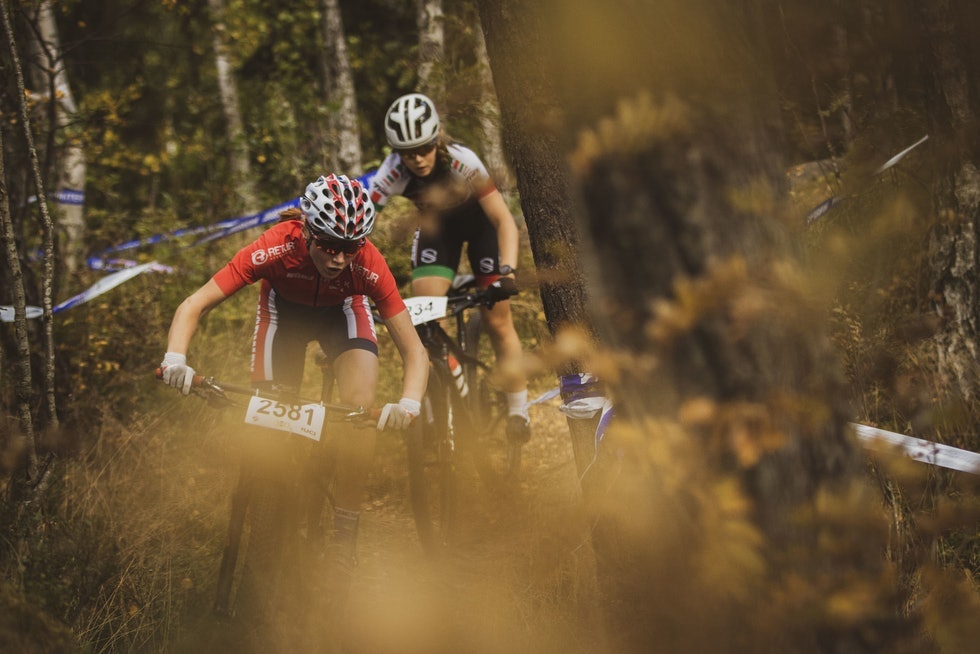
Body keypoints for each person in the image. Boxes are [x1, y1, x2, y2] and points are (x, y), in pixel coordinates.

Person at [158, 174, 428, 576]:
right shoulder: (276, 246)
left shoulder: (368, 264)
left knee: (359, 413)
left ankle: (344, 531)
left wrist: (407, 405)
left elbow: (415, 352)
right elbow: (194, 304)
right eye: (330, 246)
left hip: (343, 314)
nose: (339, 259)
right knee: (268, 421)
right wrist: (175, 358)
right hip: (284, 315)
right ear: (308, 231)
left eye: (350, 248)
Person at [368, 92, 532, 444]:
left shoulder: (463, 161)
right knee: (424, 320)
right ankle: (440, 407)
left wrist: (507, 272)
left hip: (482, 230)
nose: (417, 159)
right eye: (406, 152)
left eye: (424, 148)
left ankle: (519, 409)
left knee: (498, 320)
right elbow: (361, 226)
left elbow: (503, 220)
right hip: (437, 234)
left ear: (436, 138)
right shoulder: (391, 172)